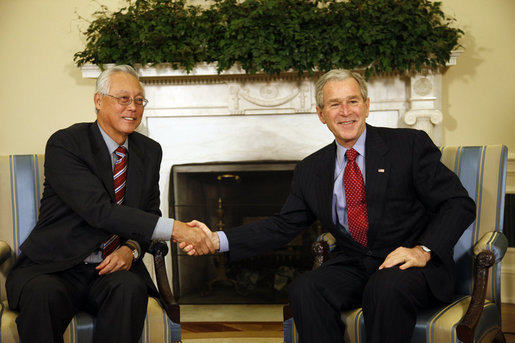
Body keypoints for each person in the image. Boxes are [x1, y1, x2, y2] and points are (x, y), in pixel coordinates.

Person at [184, 69, 476, 342]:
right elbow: (284, 225)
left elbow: (458, 203)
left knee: (385, 287)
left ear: (367, 104)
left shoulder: (407, 145)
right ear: (321, 114)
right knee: (305, 289)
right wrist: (216, 239)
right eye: (335, 104)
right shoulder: (311, 169)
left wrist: (422, 251)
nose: (345, 111)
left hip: (409, 266)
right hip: (356, 264)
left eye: (353, 101)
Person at [6, 65, 215, 343]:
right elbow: (98, 210)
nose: (133, 107)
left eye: (139, 100)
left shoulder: (149, 151)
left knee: (129, 289)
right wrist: (175, 229)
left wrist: (132, 249)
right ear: (98, 101)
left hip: (113, 268)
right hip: (54, 266)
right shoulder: (66, 143)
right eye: (123, 98)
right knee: (42, 295)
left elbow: (150, 212)